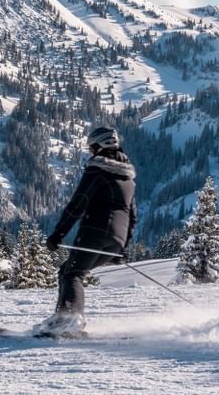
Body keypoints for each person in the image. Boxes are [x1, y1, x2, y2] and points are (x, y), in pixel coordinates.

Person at [34, 126, 137, 336]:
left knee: (73, 273)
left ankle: (70, 318)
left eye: (92, 148)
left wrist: (58, 234)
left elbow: (79, 203)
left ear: (100, 146)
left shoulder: (97, 170)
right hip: (115, 239)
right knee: (68, 271)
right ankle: (63, 318)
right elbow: (133, 216)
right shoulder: (128, 180)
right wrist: (122, 248)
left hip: (95, 232)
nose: (90, 152)